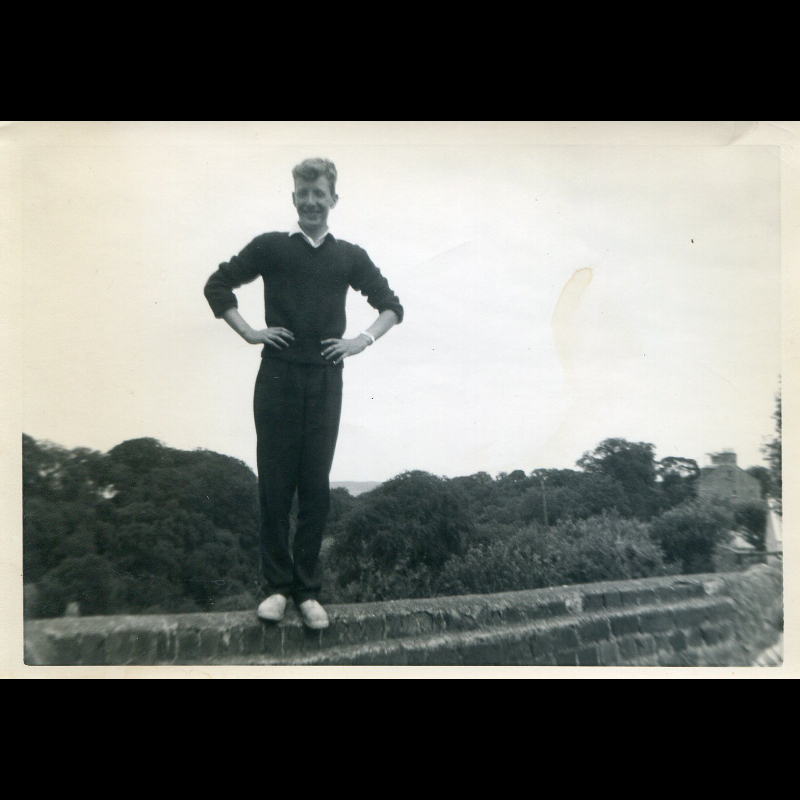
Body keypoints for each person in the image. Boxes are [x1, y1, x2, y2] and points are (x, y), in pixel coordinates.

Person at [204, 158, 403, 629]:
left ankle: (307, 593)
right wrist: (250, 332)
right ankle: (276, 589)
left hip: (326, 378)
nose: (311, 202)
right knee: (275, 485)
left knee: (315, 486)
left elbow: (391, 307)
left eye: (319, 194)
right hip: (277, 376)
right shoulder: (271, 247)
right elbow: (217, 285)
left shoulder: (349, 256)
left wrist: (360, 341)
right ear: (294, 196)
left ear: (333, 199)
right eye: (303, 193)